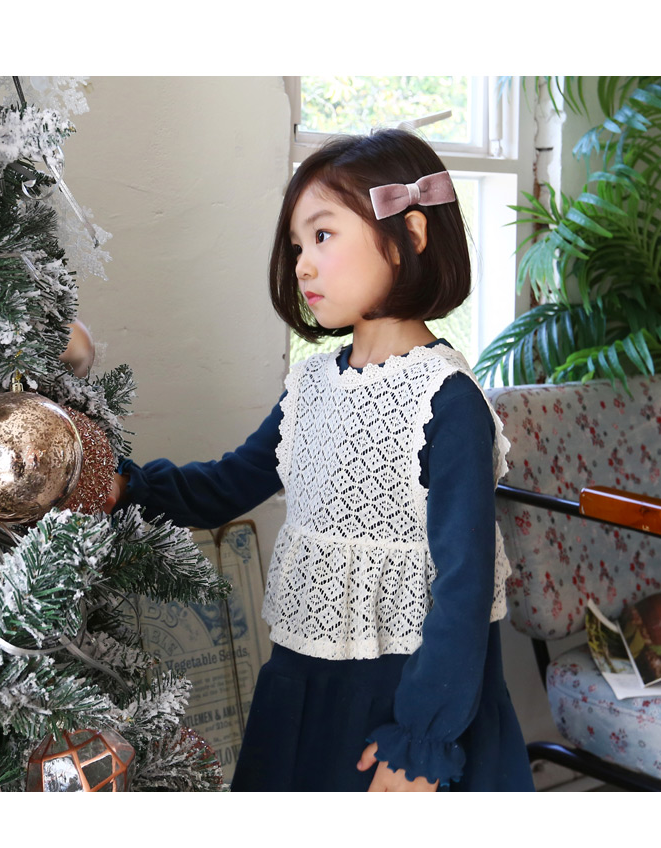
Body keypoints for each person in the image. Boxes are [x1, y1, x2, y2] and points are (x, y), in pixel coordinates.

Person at [106, 128, 534, 792]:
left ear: (411, 232)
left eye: (324, 235)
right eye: (297, 246)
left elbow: (465, 585)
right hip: (306, 679)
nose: (303, 264)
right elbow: (228, 484)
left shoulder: (448, 402)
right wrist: (124, 488)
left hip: (404, 697)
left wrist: (420, 742)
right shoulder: (312, 386)